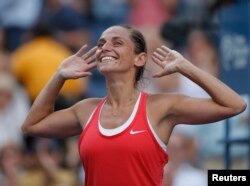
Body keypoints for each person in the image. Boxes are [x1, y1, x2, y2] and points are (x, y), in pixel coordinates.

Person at [21, 25, 246, 186]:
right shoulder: (86, 109)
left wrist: (186, 67)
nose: (105, 48)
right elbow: (32, 125)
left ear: (139, 59)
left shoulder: (161, 106)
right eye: (101, 44)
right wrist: (59, 76)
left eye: (116, 42)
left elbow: (234, 105)